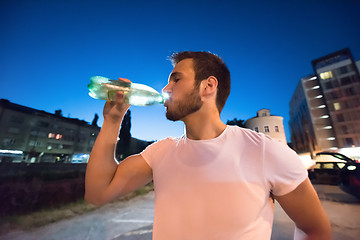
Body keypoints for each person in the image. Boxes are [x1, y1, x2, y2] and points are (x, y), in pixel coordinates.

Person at [85, 51, 332, 239]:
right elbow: (98, 193)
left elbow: (315, 230)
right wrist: (112, 120)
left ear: (208, 86)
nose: (165, 88)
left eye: (176, 79)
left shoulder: (266, 151)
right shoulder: (160, 152)